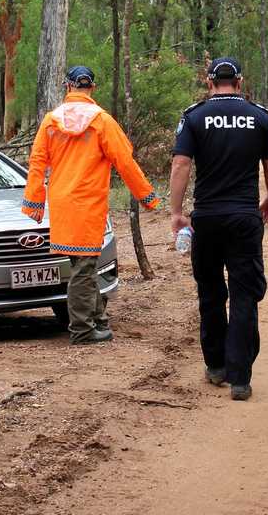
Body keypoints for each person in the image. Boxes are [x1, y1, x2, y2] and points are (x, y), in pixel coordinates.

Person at [169, 58, 268, 401]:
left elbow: (181, 164)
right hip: (245, 218)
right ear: (240, 81)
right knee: (245, 294)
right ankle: (240, 378)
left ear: (209, 82)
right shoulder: (259, 115)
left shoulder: (194, 116)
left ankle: (215, 365)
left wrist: (176, 212)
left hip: (207, 218)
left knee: (211, 293)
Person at [22, 66, 161, 344]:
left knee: (83, 263)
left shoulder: (51, 120)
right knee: (84, 267)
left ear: (68, 87)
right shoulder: (102, 121)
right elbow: (125, 162)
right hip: (87, 202)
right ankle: (82, 330)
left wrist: (34, 203)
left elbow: (37, 163)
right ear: (92, 88)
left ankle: (99, 320)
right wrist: (147, 197)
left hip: (62, 202)